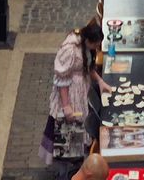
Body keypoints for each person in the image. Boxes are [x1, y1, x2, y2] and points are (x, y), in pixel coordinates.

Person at [43, 20, 106, 178]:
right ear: (89, 40)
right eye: (95, 44)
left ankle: (75, 164)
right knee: (67, 133)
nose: (96, 47)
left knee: (77, 131)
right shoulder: (70, 50)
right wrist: (66, 106)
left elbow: (87, 67)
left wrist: (100, 81)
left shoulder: (86, 48)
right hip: (70, 96)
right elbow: (62, 80)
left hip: (80, 93)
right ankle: (65, 171)